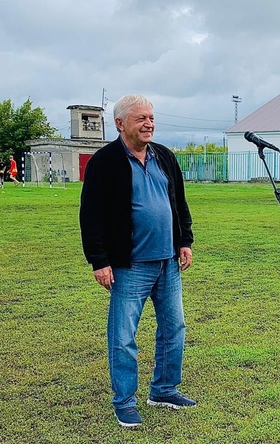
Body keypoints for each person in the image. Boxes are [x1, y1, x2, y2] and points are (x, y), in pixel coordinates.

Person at [79, 94, 195, 428]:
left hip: (168, 263)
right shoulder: (105, 162)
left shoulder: (164, 157)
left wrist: (184, 241)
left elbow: (178, 203)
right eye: (141, 119)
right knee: (123, 336)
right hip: (129, 266)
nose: (149, 124)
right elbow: (91, 215)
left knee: (174, 328)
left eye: (151, 118)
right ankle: (125, 401)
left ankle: (163, 389)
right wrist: (99, 261)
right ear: (120, 123)